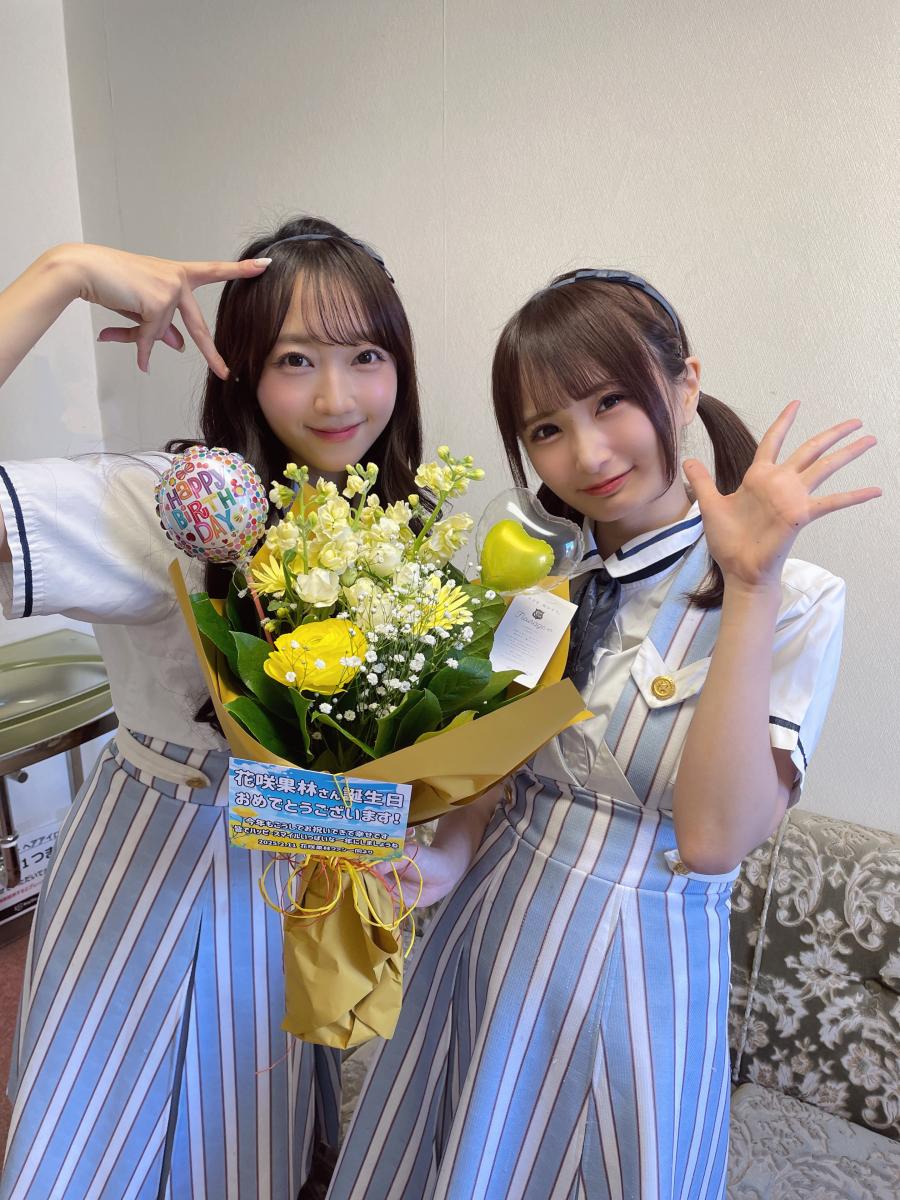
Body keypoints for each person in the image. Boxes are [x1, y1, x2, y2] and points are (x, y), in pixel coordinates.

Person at [326, 268, 880, 1199]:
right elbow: (494, 767)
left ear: (684, 384)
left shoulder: (794, 599)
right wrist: (447, 855)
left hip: (637, 983)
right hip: (486, 943)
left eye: (611, 401)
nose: (586, 452)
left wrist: (749, 585)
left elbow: (712, 841)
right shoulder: (543, 586)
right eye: (545, 429)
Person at [0, 215, 426, 1200]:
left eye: (365, 356)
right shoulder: (175, 501)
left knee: (247, 1155)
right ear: (238, 369)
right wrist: (63, 273)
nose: (337, 396)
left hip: (283, 892)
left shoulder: (393, 524)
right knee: (104, 1156)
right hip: (152, 877)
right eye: (294, 360)